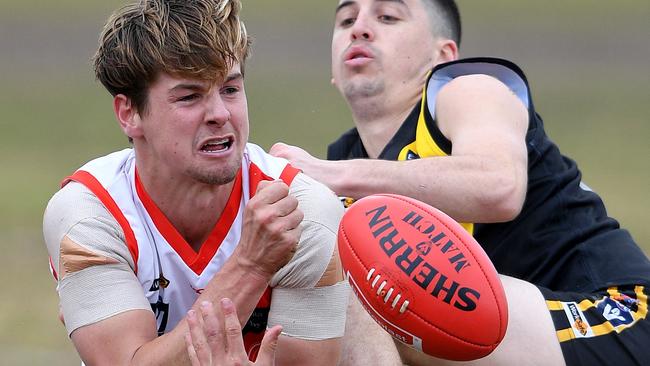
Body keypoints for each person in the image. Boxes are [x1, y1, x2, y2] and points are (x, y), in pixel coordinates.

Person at [270, 0, 650, 365]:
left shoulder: (465, 90)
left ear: (444, 55)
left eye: (387, 17)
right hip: (503, 331)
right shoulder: (344, 155)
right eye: (346, 21)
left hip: (616, 313)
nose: (361, 30)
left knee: (371, 276)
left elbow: (500, 186)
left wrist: (335, 176)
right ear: (334, 72)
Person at [42, 0, 348, 365]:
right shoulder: (90, 214)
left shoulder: (301, 212)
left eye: (230, 90)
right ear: (130, 114)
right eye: (189, 97)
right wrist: (250, 265)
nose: (220, 114)